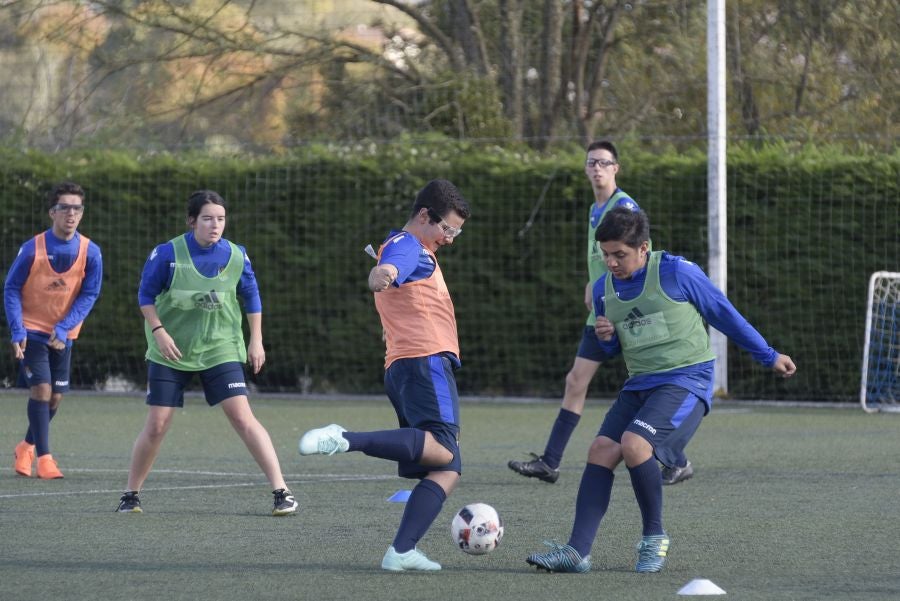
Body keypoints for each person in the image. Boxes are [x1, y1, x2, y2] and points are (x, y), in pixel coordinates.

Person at [525, 207, 796, 574]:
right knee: (601, 449)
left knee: (636, 445)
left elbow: (723, 312)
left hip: (687, 379)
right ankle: (577, 552)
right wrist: (606, 339)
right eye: (605, 254)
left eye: (619, 254)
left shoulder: (677, 272)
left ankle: (654, 538)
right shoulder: (604, 289)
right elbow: (615, 347)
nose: (611, 262)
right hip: (640, 384)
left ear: (644, 248)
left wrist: (768, 355)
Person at [298, 179, 470, 572]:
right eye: (448, 229)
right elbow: (391, 268)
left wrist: (388, 274)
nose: (451, 239)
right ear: (425, 216)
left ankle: (401, 551)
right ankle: (343, 439)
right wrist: (384, 273)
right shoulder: (409, 246)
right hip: (424, 362)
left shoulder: (412, 247)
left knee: (446, 466)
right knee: (445, 451)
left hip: (408, 365)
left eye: (456, 232)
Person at [508, 141, 695, 486]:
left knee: (651, 382)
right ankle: (550, 462)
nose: (597, 168)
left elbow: (640, 258)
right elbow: (603, 261)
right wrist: (592, 285)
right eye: (591, 162)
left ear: (616, 168)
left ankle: (676, 458)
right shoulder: (597, 208)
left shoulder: (623, 207)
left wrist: (612, 291)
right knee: (576, 381)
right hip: (602, 313)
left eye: (604, 163)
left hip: (625, 311)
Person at [116, 190, 297, 516]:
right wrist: (159, 332)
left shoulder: (237, 255)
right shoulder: (168, 254)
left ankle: (281, 491)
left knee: (243, 417)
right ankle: (130, 495)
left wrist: (256, 340)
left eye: (221, 219)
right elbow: (145, 295)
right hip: (170, 350)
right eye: (207, 218)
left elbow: (252, 297)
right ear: (192, 221)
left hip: (220, 347)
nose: (215, 225)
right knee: (157, 424)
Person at [5, 182, 103, 479]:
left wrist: (64, 328)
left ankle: (25, 446)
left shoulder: (91, 252)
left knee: (56, 397)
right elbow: (11, 288)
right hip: (32, 330)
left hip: (64, 335)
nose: (71, 214)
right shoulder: (32, 248)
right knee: (42, 390)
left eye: (77, 208)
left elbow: (89, 295)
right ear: (52, 212)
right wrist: (17, 330)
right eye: (65, 208)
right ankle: (45, 459)